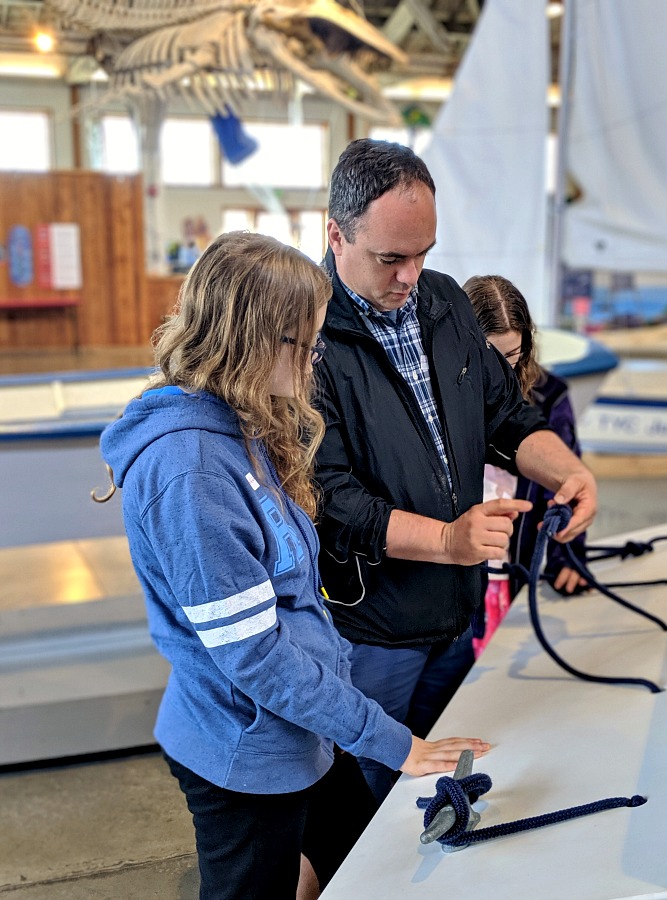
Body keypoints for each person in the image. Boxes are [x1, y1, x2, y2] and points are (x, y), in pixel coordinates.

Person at [94, 231, 490, 900]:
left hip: (303, 728)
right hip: (246, 755)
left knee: (354, 857)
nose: (314, 360)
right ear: (251, 339)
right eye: (304, 344)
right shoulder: (190, 468)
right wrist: (391, 741)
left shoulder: (240, 425)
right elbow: (255, 657)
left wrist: (358, 723)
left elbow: (296, 601)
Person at [315, 139, 597, 802]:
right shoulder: (304, 331)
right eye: (390, 258)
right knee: (365, 802)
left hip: (456, 619)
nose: (409, 275)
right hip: (371, 635)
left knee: (439, 789)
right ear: (335, 234)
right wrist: (446, 540)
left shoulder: (442, 303)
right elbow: (330, 497)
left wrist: (566, 472)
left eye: (423, 254)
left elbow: (506, 416)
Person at [464, 274, 588, 655]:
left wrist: (570, 555)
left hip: (514, 566)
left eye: (513, 358)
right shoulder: (443, 394)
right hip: (459, 570)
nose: (502, 373)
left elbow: (567, 485)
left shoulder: (549, 397)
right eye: (489, 358)